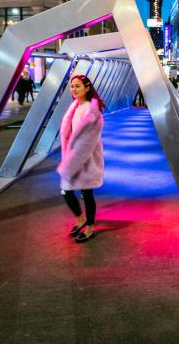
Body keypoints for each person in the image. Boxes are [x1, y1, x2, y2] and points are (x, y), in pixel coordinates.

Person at [56, 75, 105, 244]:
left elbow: (87, 141)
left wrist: (71, 162)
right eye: (72, 86)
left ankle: (90, 227)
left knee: (86, 193)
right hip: (73, 156)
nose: (74, 89)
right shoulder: (75, 107)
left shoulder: (93, 112)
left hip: (86, 158)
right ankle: (80, 218)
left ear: (86, 88)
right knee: (66, 192)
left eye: (77, 86)